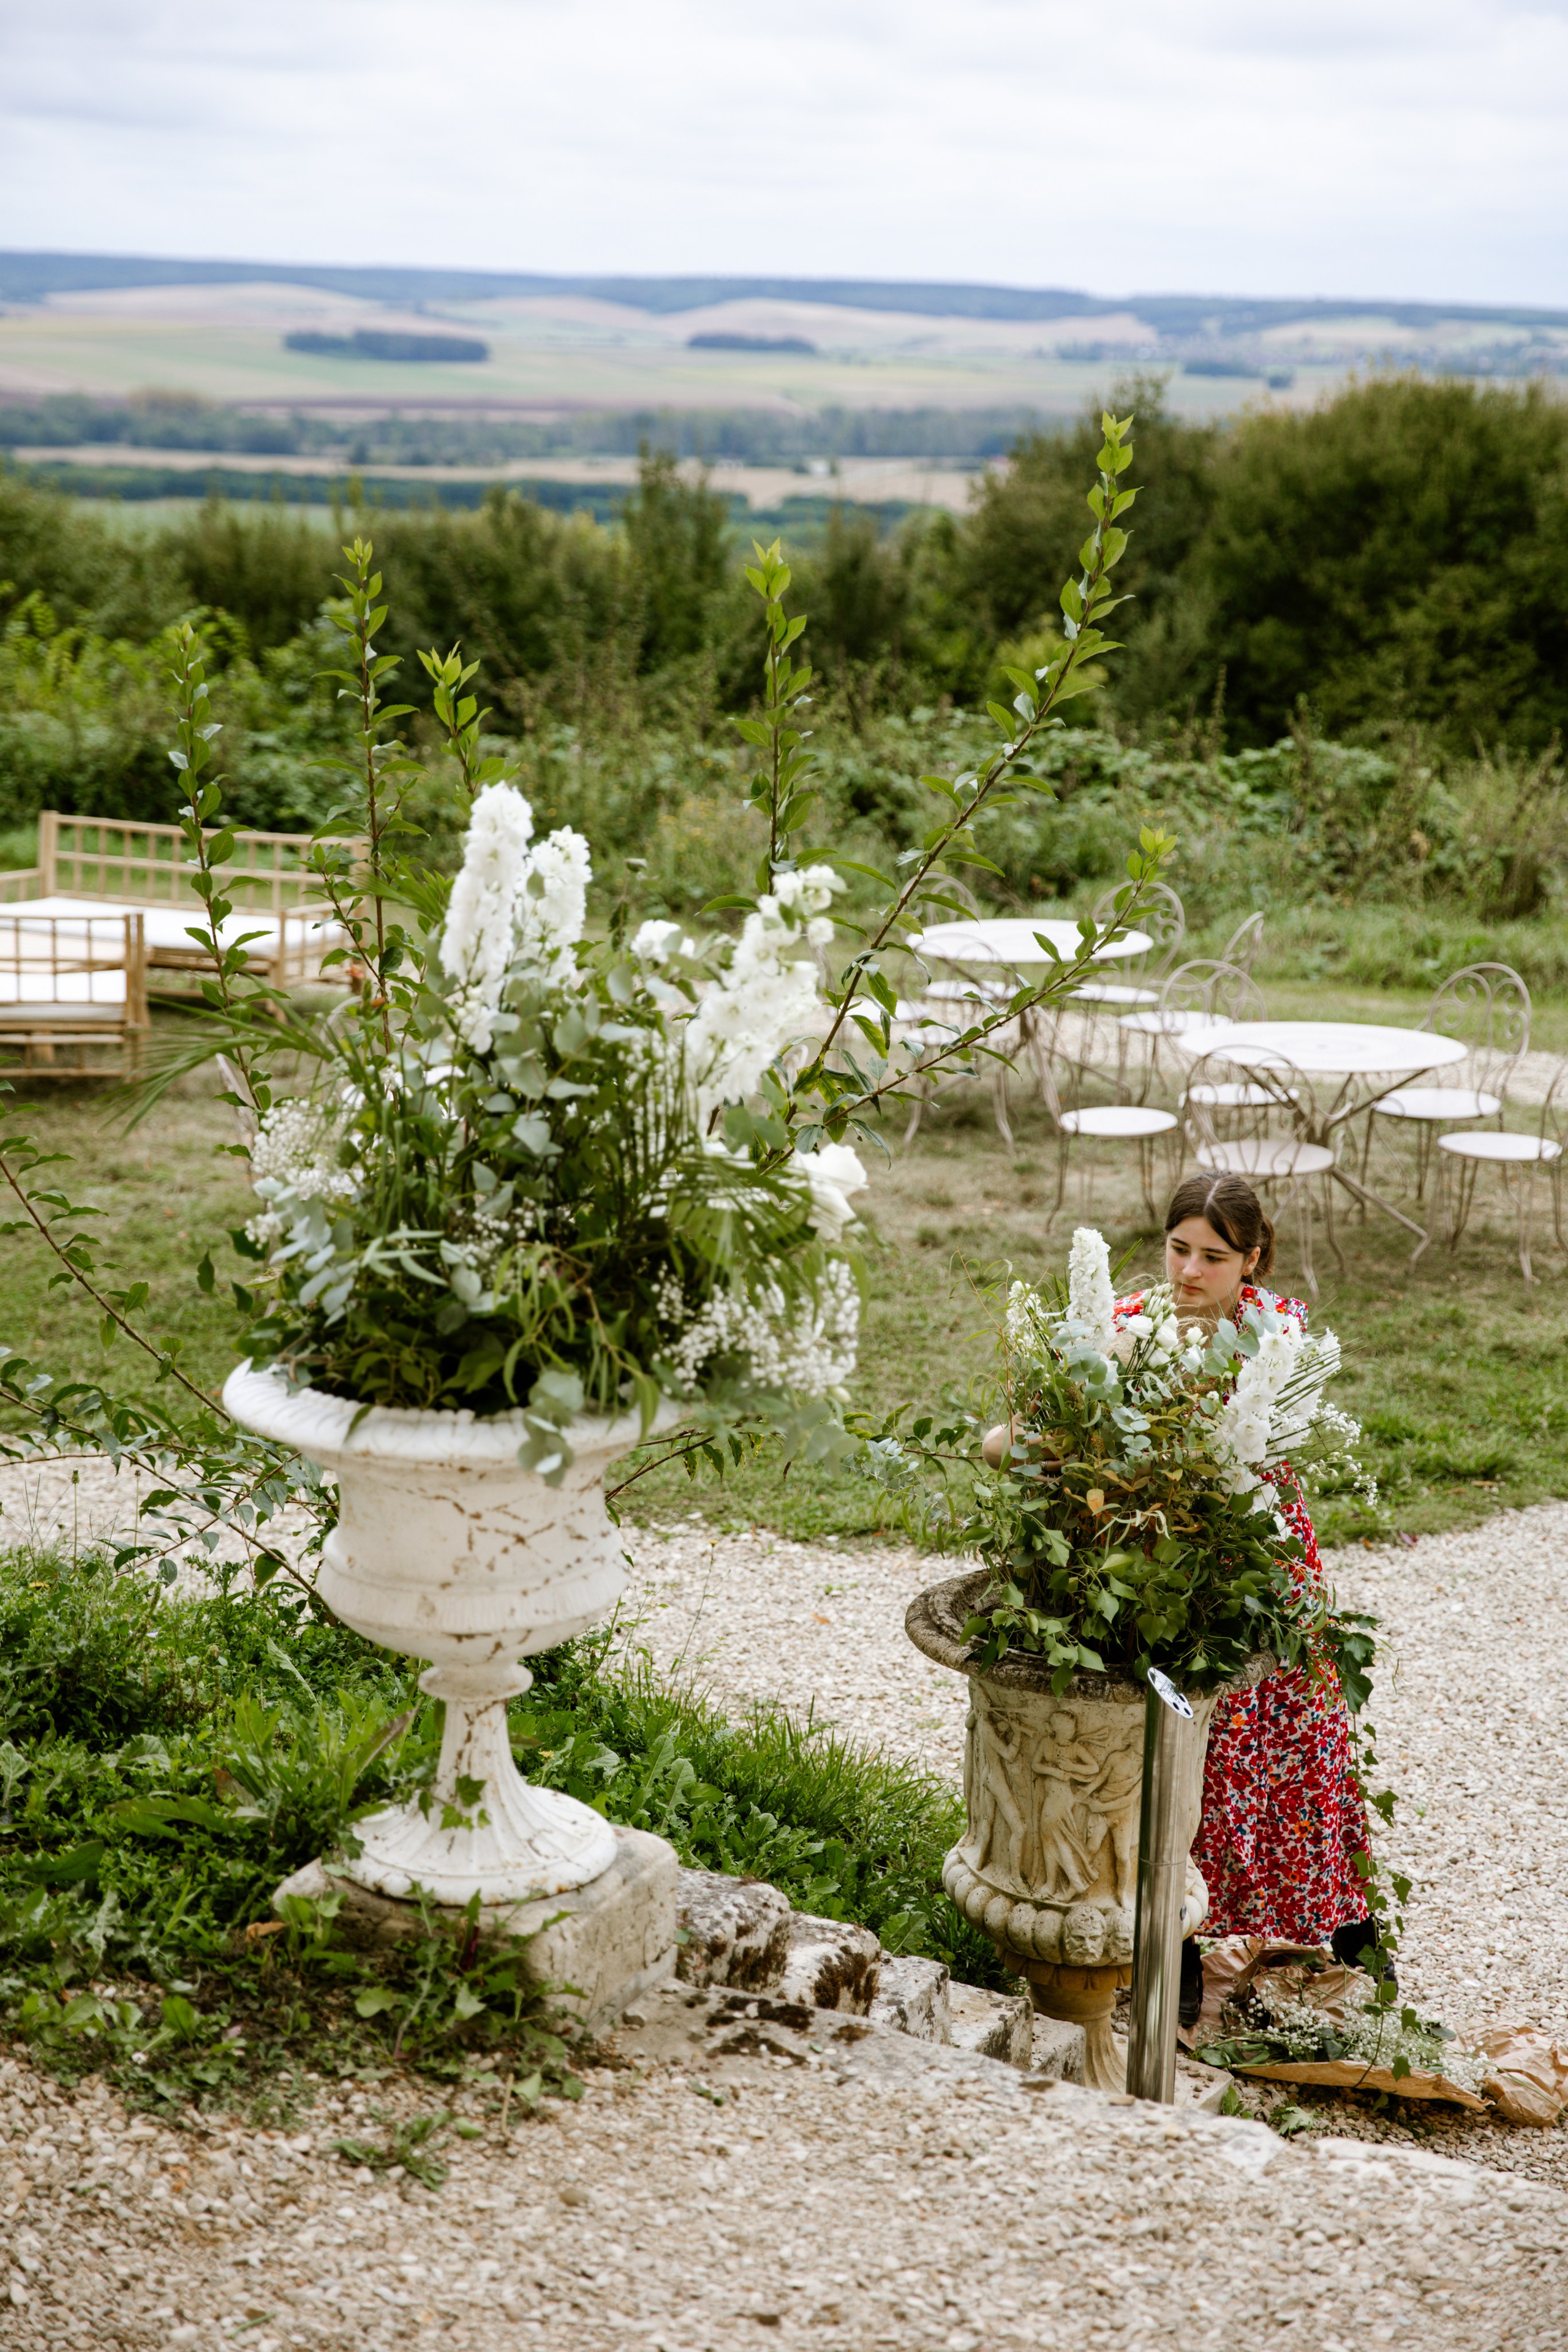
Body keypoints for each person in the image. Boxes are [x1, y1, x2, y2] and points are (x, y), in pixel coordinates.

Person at [1134, 1172, 1378, 2011]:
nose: (1189, 1272)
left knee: (1293, 1736)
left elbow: (1277, 1443)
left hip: (1263, 1554)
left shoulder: (1280, 1332)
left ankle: (1340, 1928)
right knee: (1186, 1744)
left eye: (1213, 1256)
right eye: (1178, 1250)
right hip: (1171, 1562)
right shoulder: (1132, 1327)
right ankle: (1184, 1945)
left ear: (1253, 1259)